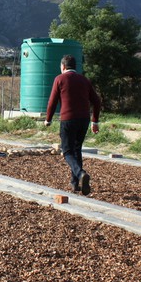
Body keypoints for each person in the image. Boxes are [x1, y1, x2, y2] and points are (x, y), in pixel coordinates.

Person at [44, 54, 101, 195]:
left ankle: (81, 174)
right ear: (75, 67)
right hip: (84, 119)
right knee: (77, 150)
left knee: (67, 151)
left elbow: (52, 101)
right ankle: (75, 184)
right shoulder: (84, 80)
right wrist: (95, 121)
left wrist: (48, 119)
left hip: (68, 119)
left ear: (63, 66)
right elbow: (97, 101)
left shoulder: (60, 79)